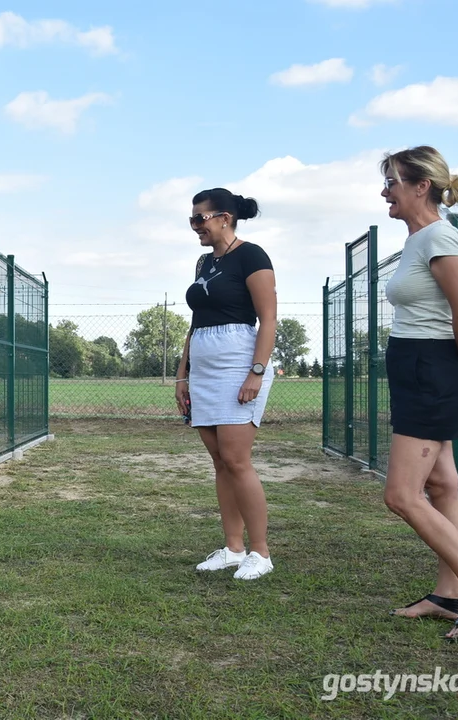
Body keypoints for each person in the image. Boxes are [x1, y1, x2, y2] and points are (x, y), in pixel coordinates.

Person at [379, 146, 458, 640]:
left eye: (392, 181)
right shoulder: (420, 239)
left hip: (431, 372)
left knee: (401, 495)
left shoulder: (440, 237)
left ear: (421, 186)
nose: (385, 191)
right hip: (423, 367)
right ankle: (448, 594)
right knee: (442, 487)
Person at [175, 188, 277, 581]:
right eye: (192, 219)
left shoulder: (252, 256)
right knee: (220, 462)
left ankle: (261, 553)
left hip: (238, 362)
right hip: (203, 364)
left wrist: (256, 370)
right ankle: (234, 547)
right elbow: (195, 322)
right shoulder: (203, 263)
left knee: (237, 460)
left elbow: (267, 319)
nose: (196, 226)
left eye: (201, 218)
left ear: (225, 218)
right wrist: (183, 375)